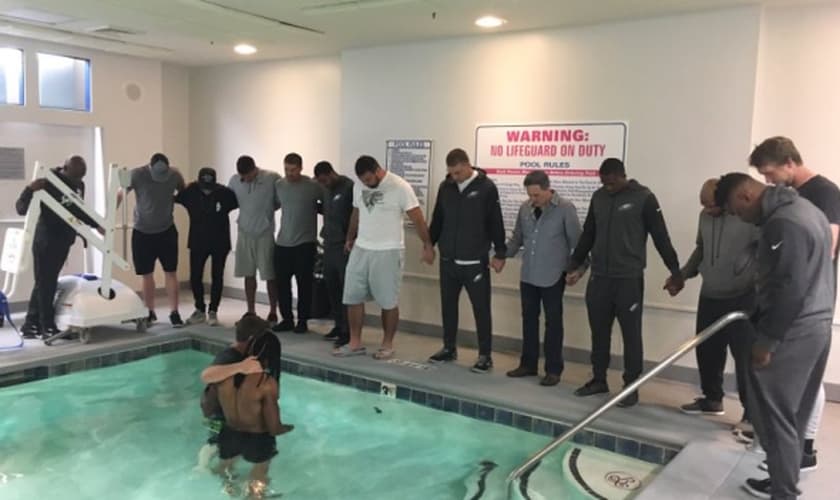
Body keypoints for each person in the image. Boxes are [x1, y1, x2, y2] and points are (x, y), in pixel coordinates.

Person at [715, 173, 832, 500]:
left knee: (773, 417)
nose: (740, 218)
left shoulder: (784, 223)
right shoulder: (808, 210)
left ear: (745, 196)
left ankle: (784, 492)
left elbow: (789, 287)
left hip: (794, 331)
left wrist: (767, 340)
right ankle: (784, 483)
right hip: (818, 323)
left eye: (737, 211)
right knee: (795, 416)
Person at [750, 136, 838, 473]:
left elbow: (826, 250)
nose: (768, 180)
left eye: (770, 173)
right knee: (785, 390)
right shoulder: (789, 199)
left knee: (802, 384)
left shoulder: (824, 193)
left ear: (789, 162)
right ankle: (784, 458)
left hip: (808, 306)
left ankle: (804, 450)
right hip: (791, 302)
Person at [566, 158, 683, 407]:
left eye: (611, 183)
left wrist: (675, 271)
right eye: (603, 183)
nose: (607, 187)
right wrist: (574, 263)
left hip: (628, 279)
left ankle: (631, 387)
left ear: (622, 176)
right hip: (600, 278)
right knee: (599, 332)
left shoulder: (644, 198)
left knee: (631, 335)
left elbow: (661, 237)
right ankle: (598, 379)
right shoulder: (598, 198)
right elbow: (589, 233)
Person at [669, 179, 758, 422]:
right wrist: (682, 275)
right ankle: (712, 399)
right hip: (710, 294)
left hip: (742, 298)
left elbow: (763, 250)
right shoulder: (704, 217)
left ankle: (751, 414)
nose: (707, 210)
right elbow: (701, 250)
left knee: (744, 358)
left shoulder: (746, 218)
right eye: (703, 205)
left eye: (711, 205)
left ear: (725, 201)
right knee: (707, 350)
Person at [333, 155, 434, 360]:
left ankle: (387, 344)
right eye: (363, 181)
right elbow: (356, 212)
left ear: (378, 171)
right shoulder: (359, 186)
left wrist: (427, 244)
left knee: (388, 301)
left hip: (388, 250)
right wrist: (350, 237)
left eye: (369, 180)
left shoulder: (400, 187)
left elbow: (417, 218)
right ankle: (354, 342)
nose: (366, 184)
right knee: (352, 296)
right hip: (361, 248)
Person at [427, 149, 507, 373]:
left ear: (468, 165)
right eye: (451, 173)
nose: (455, 177)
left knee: (481, 309)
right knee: (448, 307)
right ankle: (449, 348)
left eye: (458, 173)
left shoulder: (486, 188)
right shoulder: (446, 187)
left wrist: (500, 253)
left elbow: (495, 221)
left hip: (474, 262)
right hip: (448, 261)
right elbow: (438, 218)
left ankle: (485, 355)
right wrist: (429, 244)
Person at [505, 170, 581, 386]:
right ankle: (528, 364)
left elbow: (577, 242)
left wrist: (577, 269)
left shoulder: (565, 209)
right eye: (529, 195)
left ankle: (553, 369)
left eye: (536, 195)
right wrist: (501, 255)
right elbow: (517, 237)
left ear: (548, 189)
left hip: (553, 275)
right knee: (529, 319)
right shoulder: (525, 208)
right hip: (528, 274)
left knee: (553, 323)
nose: (533, 199)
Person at [16, 156, 103, 339]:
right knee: (46, 284)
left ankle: (30, 324)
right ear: (65, 168)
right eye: (74, 177)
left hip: (63, 241)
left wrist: (96, 225)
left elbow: (78, 210)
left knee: (45, 283)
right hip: (45, 241)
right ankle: (47, 326)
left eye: (79, 178)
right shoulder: (47, 181)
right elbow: (21, 209)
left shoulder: (79, 184)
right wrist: (29, 189)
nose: (76, 182)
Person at [213, 318, 293, 498]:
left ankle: (230, 491)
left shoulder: (225, 375)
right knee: (259, 474)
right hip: (257, 438)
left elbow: (208, 404)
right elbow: (273, 425)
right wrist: (283, 429)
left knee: (224, 469)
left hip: (229, 433)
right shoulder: (266, 383)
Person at [121, 153, 186, 327]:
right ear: (150, 168)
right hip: (142, 232)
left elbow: (184, 191)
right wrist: (109, 213)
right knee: (146, 274)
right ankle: (149, 311)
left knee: (171, 272)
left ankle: (174, 312)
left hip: (167, 230)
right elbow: (121, 193)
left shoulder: (174, 174)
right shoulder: (137, 174)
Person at [175, 167, 238, 326]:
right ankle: (200, 309)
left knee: (217, 276)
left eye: (209, 187)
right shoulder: (190, 192)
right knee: (195, 277)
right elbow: (173, 196)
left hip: (220, 242)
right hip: (198, 241)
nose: (207, 191)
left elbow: (238, 202)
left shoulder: (225, 193)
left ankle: (213, 310)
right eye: (204, 187)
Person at [272, 153, 324, 334]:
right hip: (283, 243)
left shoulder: (313, 186)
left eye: (293, 170)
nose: (289, 173)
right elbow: (274, 205)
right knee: (282, 284)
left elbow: (327, 202)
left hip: (305, 243)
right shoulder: (279, 185)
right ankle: (287, 319)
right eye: (286, 169)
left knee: (304, 284)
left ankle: (302, 320)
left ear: (301, 168)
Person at [228, 156, 281, 323]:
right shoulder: (235, 181)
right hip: (244, 232)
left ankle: (273, 310)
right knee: (248, 274)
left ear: (254, 169)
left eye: (248, 175)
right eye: (242, 176)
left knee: (270, 275)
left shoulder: (272, 178)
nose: (245, 179)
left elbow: (279, 202)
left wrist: (266, 215)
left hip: (265, 233)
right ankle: (250, 310)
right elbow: (230, 200)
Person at [314, 161, 355, 347]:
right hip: (329, 243)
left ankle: (348, 330)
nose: (324, 184)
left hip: (343, 245)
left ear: (331, 173)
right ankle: (338, 325)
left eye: (325, 180)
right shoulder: (325, 189)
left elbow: (356, 215)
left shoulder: (348, 187)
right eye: (320, 182)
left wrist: (351, 238)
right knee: (332, 286)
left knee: (346, 288)